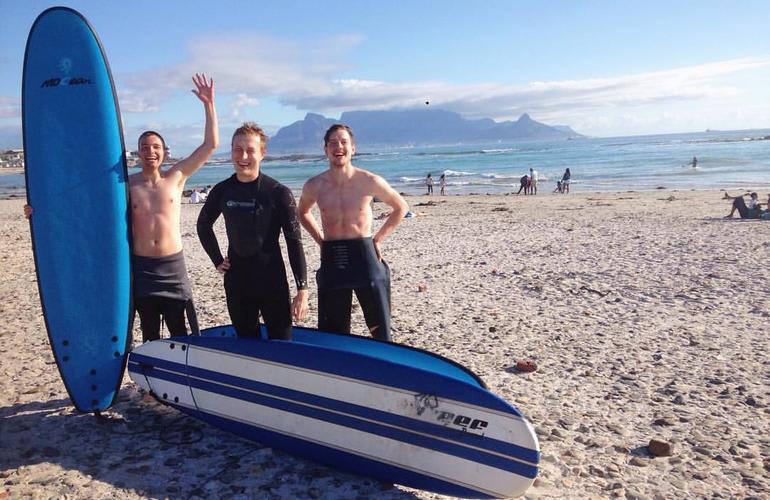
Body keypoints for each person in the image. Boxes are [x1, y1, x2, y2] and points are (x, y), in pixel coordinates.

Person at [197, 123, 308, 341]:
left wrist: (302, 289)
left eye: (250, 150)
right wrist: (217, 260)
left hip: (272, 280)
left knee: (282, 345)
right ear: (231, 151)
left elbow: (294, 241)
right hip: (237, 281)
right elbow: (203, 225)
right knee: (247, 345)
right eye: (238, 149)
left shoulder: (279, 193)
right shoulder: (222, 190)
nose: (243, 156)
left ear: (262, 153)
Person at [298, 124, 408, 341]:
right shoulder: (314, 185)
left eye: (344, 142)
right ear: (325, 149)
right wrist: (320, 240)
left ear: (353, 148)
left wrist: (378, 239)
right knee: (333, 331)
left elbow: (401, 207)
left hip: (364, 255)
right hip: (332, 256)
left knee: (380, 328)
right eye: (333, 143)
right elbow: (302, 212)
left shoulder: (369, 181)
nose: (338, 147)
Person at [129, 73, 218, 342]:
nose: (150, 151)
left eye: (156, 147)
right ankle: (151, 384)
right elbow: (87, 201)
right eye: (145, 147)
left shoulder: (177, 176)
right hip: (142, 267)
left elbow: (210, 145)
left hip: (172, 266)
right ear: (138, 152)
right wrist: (36, 209)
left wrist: (209, 104)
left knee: (180, 332)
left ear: (165, 152)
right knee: (150, 334)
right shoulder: (126, 183)